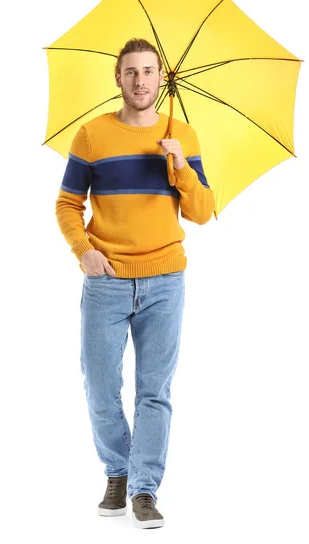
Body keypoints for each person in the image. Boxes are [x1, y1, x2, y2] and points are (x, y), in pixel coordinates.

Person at [55, 38, 215, 529]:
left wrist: (181, 168)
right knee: (100, 387)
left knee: (154, 391)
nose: (141, 80)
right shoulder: (92, 136)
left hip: (166, 279)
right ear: (118, 79)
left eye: (149, 71)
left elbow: (203, 213)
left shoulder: (181, 135)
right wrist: (85, 252)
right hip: (107, 280)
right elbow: (67, 204)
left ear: (159, 77)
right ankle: (117, 472)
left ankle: (145, 489)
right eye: (131, 72)